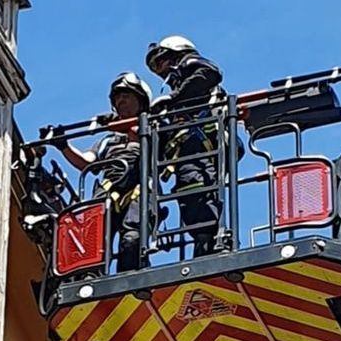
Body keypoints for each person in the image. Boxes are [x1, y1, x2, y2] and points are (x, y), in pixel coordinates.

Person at [47, 72, 152, 272]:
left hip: (138, 193)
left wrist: (120, 124)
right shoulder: (107, 141)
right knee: (94, 241)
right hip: (107, 193)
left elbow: (142, 136)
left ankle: (128, 278)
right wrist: (63, 145)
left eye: (126, 96)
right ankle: (91, 278)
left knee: (132, 240)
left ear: (141, 102)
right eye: (117, 98)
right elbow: (86, 162)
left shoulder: (151, 131)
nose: (121, 101)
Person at [145, 35, 225, 257]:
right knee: (190, 193)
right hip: (190, 150)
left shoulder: (190, 65)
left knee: (197, 190)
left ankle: (208, 241)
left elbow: (211, 72)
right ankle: (203, 240)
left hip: (199, 146)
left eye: (159, 62)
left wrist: (174, 98)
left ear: (175, 52)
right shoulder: (180, 85)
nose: (159, 71)